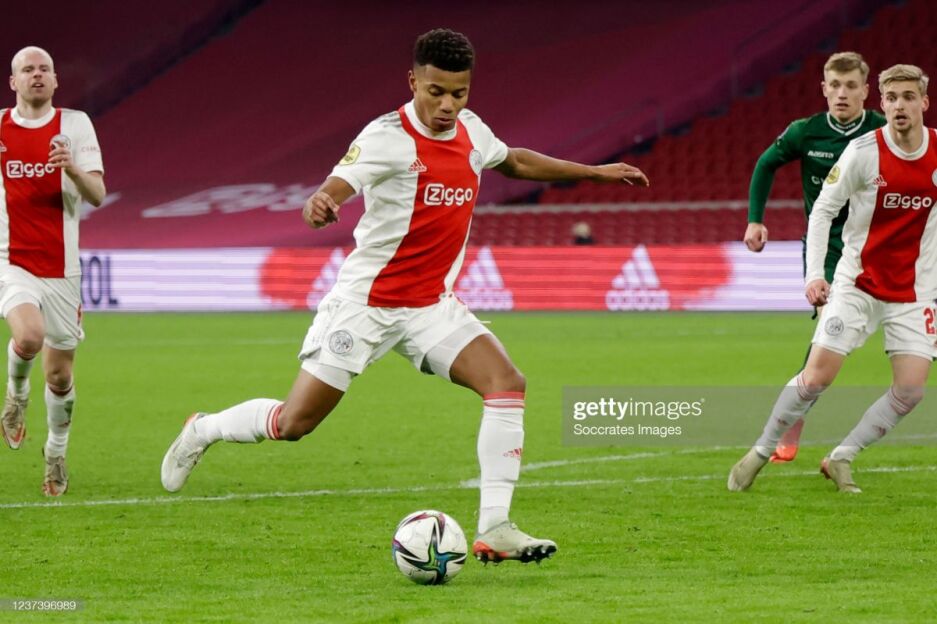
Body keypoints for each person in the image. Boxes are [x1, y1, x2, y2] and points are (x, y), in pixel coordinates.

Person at [161, 28, 648, 563]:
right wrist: (321, 204)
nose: (447, 105)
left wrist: (594, 171)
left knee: (506, 383)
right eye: (436, 91)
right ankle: (203, 428)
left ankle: (496, 528)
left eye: (459, 93)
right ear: (413, 81)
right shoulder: (385, 138)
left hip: (430, 307)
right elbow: (337, 186)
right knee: (294, 423)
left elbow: (515, 161)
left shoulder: (472, 130)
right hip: (365, 306)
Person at [729, 64, 936, 494]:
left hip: (915, 291)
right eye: (892, 98)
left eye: (908, 97)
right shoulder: (863, 151)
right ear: (882, 104)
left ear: (924, 103)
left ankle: (841, 457)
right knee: (816, 377)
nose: (900, 105)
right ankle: (760, 452)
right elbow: (823, 210)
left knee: (911, 391)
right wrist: (814, 275)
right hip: (857, 283)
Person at [743, 52, 886, 463]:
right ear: (824, 88)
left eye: (850, 86)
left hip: (879, 247)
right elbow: (765, 164)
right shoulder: (806, 132)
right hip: (827, 250)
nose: (842, 94)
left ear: (865, 91)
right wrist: (755, 220)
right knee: (829, 330)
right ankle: (795, 416)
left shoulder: (882, 131)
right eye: (834, 86)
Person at [0, 46, 106, 496]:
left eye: (44, 69)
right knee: (28, 336)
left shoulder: (75, 124)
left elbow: (97, 193)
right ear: (14, 82)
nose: (37, 75)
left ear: (56, 80)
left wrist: (73, 169)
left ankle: (56, 454)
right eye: (28, 69)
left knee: (60, 376)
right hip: (11, 260)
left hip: (62, 268)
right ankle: (16, 396)